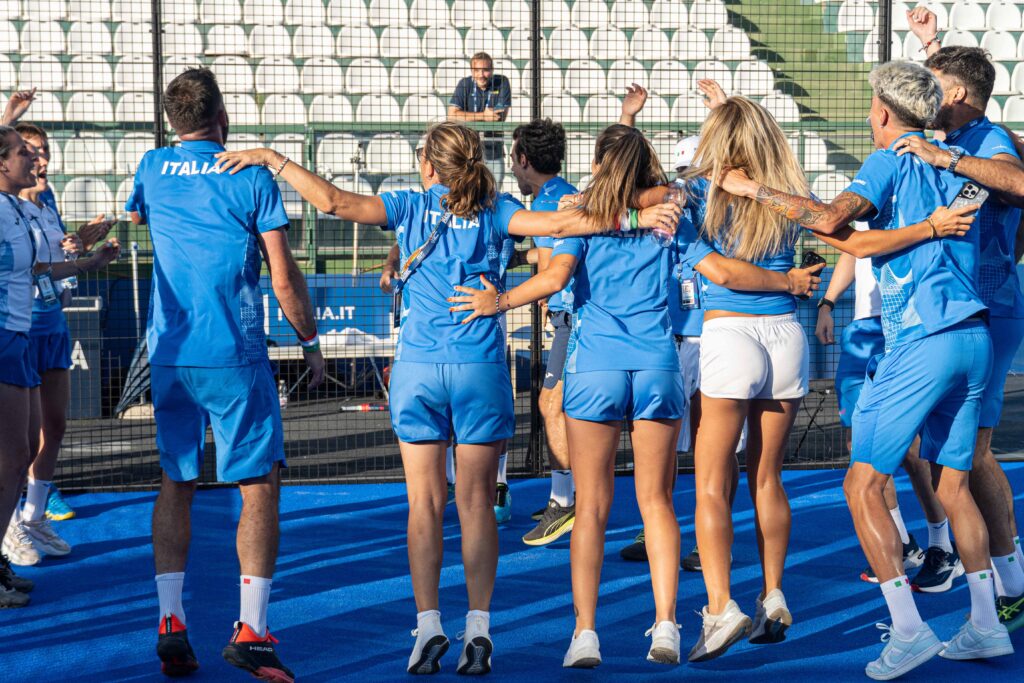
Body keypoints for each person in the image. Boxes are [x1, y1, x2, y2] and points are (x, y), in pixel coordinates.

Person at [215, 119, 682, 675]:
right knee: (477, 504)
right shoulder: (498, 209)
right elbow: (562, 222)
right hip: (479, 368)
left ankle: (428, 625)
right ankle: (478, 628)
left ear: (429, 165)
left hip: (418, 370)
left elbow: (335, 202)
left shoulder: (408, 205)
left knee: (425, 504)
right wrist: (635, 218)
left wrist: (273, 158)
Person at [448, 122, 823, 667]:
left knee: (592, 506)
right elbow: (722, 270)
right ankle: (667, 626)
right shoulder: (671, 216)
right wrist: (788, 283)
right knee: (658, 503)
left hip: (595, 365)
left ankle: (585, 633)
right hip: (657, 366)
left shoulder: (582, 214)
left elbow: (554, 280)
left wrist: (499, 302)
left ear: (600, 167)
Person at [717, 60, 1013, 678]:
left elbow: (831, 220)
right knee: (953, 487)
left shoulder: (888, 158)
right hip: (974, 333)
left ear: (880, 111)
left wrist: (756, 190)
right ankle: (987, 625)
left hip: (923, 339)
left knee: (862, 486)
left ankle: (908, 630)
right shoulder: (953, 161)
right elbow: (867, 239)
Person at [126, 68, 325, 682]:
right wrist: (310, 340)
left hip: (169, 352)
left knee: (175, 481)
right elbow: (283, 275)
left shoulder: (151, 167)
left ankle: (170, 619)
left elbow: (138, 218)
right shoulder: (251, 175)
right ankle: (252, 631)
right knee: (258, 485)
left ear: (172, 121)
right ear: (222, 118)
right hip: (233, 351)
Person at [899, 22, 1024, 629]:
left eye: (937, 85)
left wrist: (945, 156)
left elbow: (1019, 183)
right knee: (942, 449)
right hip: (951, 312)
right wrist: (932, 47)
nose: (929, 95)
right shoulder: (960, 129)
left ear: (957, 94)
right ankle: (971, 564)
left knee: (970, 453)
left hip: (989, 310)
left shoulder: (986, 138)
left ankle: (1011, 583)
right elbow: (951, 87)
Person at [616, 80, 742, 572]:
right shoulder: (670, 207)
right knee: (663, 441)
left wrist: (721, 110)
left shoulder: (726, 207)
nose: (689, 183)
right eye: (684, 173)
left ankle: (714, 537)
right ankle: (655, 528)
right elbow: (618, 173)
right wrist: (627, 120)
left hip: (715, 333)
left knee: (717, 445)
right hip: (672, 336)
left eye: (698, 171)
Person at [0, 125, 119, 607]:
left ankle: (19, 535)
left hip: (27, 332)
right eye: (25, 153)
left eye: (38, 153)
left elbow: (39, 270)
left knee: (33, 442)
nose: (36, 160)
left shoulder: (26, 208)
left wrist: (85, 260)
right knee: (13, 454)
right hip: (9, 333)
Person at [816, 249, 951, 589]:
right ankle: (902, 543)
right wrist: (827, 303)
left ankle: (942, 545)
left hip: (908, 323)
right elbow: (851, 249)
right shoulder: (856, 213)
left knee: (912, 449)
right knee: (860, 444)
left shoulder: (915, 211)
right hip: (863, 329)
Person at [508, 118, 579, 547]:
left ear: (524, 160)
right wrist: (523, 258)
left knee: (551, 404)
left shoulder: (548, 202)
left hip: (574, 318)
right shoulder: (559, 193)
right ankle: (569, 495)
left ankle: (565, 501)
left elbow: (554, 270)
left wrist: (503, 298)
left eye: (512, 157)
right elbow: (553, 251)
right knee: (561, 407)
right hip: (569, 316)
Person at [448, 52, 511, 186]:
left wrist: (466, 116)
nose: (481, 74)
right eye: (477, 70)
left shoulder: (502, 82)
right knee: (469, 190)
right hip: (468, 150)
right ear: (472, 71)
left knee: (494, 189)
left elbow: (498, 117)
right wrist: (483, 115)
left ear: (492, 70)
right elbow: (452, 115)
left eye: (486, 70)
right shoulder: (464, 84)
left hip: (493, 148)